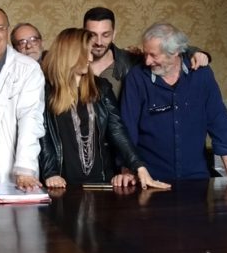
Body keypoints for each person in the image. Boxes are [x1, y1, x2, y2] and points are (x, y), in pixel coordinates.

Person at [120, 22, 227, 184]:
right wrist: (127, 171)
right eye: (145, 54)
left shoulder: (201, 74)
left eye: (153, 55)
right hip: (150, 178)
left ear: (175, 52)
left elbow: (218, 121)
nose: (147, 61)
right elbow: (127, 130)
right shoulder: (136, 78)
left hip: (196, 178)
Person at [38, 28, 169, 189]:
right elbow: (43, 135)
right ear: (71, 54)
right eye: (86, 53)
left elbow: (117, 130)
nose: (90, 58)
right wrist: (50, 173)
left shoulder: (101, 87)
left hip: (101, 181)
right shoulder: (46, 90)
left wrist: (139, 167)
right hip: (62, 184)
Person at [0, 5, 45, 189]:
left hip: (11, 171)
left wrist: (25, 169)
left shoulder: (28, 68)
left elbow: (31, 118)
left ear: (7, 31)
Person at [83, 7, 209, 98]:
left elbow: (168, 49)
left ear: (114, 34)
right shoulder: (72, 62)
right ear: (82, 33)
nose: (99, 42)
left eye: (105, 35)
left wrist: (195, 52)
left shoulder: (129, 59)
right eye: (93, 35)